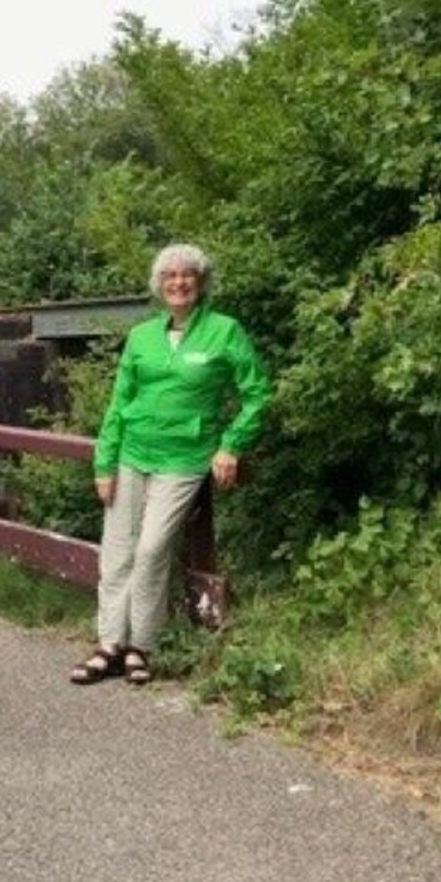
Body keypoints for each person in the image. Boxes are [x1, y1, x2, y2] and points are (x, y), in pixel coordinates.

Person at [71, 243, 271, 686]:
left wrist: (231, 445)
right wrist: (104, 462)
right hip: (131, 453)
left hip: (183, 458)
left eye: (187, 276)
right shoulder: (142, 337)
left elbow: (257, 393)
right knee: (118, 551)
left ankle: (141, 645)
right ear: (159, 286)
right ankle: (109, 646)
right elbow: (119, 403)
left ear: (200, 284)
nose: (178, 283)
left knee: (152, 549)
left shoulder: (224, 331)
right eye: (169, 277)